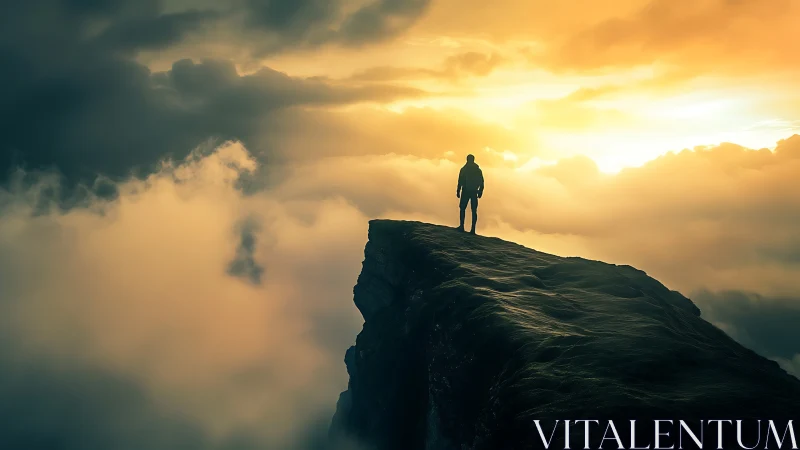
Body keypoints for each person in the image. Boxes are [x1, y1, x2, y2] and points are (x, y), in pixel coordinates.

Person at [456, 154, 484, 234]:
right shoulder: (477, 170)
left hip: (466, 191)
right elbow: (481, 181)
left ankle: (463, 226)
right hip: (473, 191)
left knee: (463, 208)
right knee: (473, 210)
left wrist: (458, 190)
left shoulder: (464, 169)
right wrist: (480, 191)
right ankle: (472, 229)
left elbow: (460, 180)